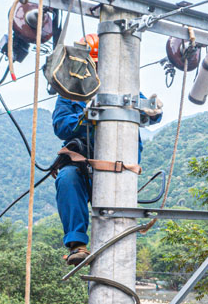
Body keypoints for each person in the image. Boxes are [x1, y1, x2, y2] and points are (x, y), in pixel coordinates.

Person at [52, 33, 162, 265]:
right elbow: (61, 126)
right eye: (94, 65)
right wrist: (86, 118)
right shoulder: (72, 90)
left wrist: (154, 110)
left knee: (116, 218)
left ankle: (119, 254)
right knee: (67, 177)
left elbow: (148, 112)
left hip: (120, 168)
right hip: (83, 168)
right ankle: (77, 244)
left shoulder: (124, 89)